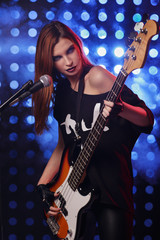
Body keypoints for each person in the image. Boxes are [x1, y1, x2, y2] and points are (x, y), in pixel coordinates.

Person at [32, 21, 154, 240]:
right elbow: (62, 147)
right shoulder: (60, 92)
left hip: (111, 190)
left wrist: (122, 109)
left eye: (70, 50)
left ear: (78, 46)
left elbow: (147, 119)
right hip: (72, 195)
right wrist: (43, 189)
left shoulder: (97, 76)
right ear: (49, 63)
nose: (68, 62)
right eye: (58, 57)